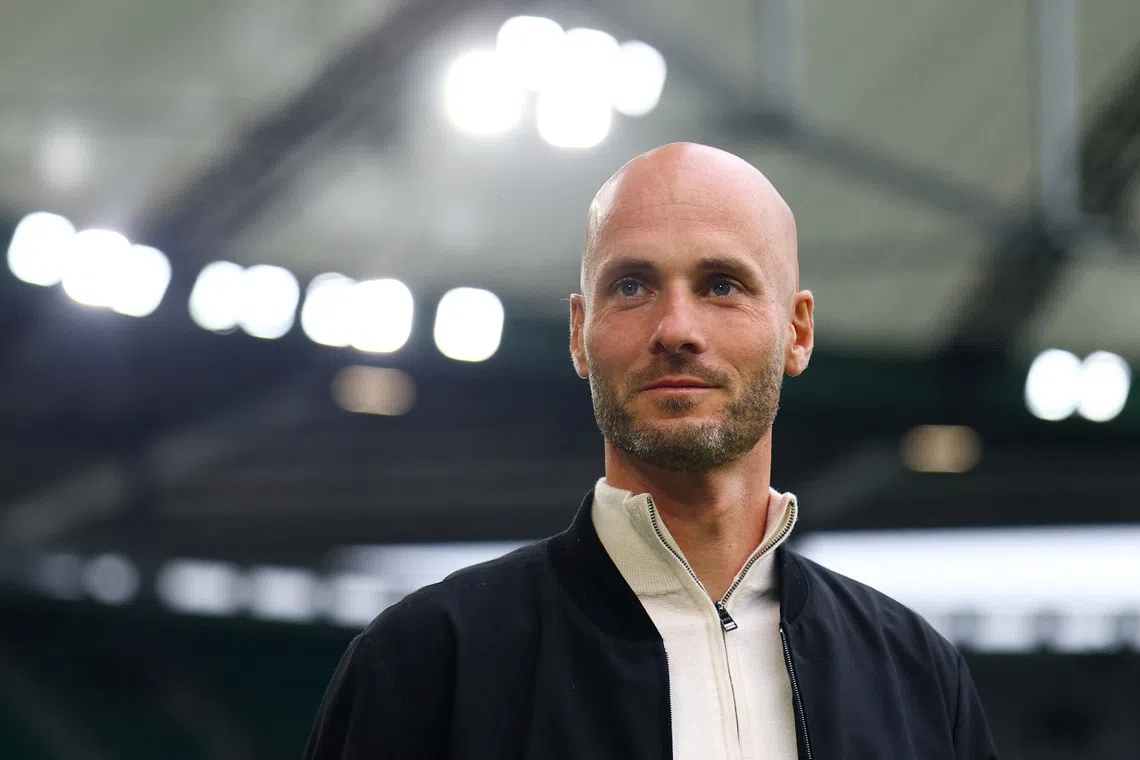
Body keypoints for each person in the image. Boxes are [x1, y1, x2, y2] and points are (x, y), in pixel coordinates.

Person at [304, 143, 999, 759]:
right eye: (632, 285)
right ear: (579, 333)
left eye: (721, 285)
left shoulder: (917, 677)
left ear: (798, 331)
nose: (676, 328)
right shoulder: (427, 662)